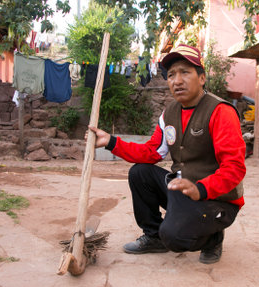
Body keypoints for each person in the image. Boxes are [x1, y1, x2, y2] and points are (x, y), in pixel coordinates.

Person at [88, 44, 246, 264]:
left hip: (217, 201)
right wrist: (111, 142)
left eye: (185, 72)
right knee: (140, 173)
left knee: (175, 236)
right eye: (171, 75)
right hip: (183, 192)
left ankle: (212, 237)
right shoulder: (169, 113)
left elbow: (234, 168)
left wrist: (200, 188)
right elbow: (151, 152)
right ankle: (154, 237)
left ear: (201, 78)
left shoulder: (221, 112)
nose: (177, 80)